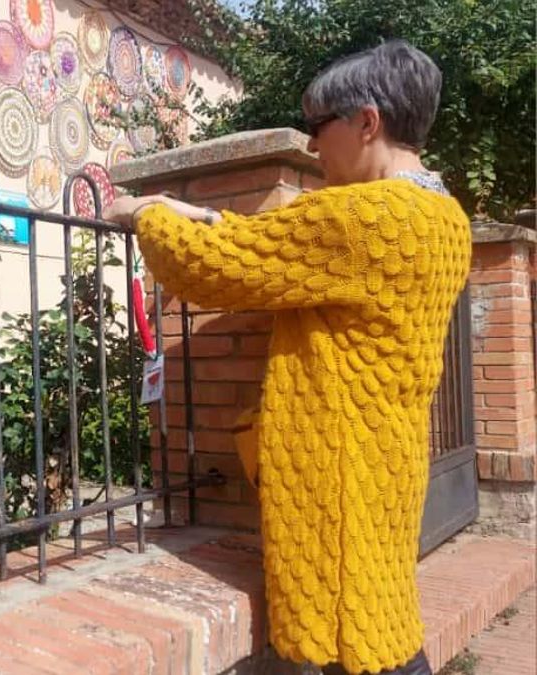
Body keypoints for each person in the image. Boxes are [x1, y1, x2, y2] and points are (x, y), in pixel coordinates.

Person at [104, 40, 469, 675]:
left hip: (335, 468)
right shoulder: (447, 218)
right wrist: (198, 212)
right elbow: (278, 246)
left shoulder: (362, 219)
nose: (312, 147)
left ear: (366, 121)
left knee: (345, 637)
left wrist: (145, 215)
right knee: (383, 609)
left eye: (319, 127)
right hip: (392, 455)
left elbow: (217, 269)